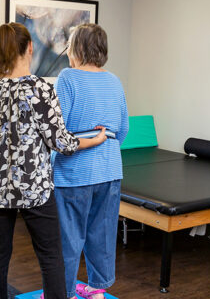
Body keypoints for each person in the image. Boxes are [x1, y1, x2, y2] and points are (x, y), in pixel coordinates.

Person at [0, 22, 107, 299]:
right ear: (30, 48)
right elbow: (61, 142)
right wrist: (93, 140)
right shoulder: (39, 89)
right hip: (34, 188)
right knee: (50, 256)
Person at [52, 23, 129, 299]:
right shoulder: (114, 80)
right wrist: (103, 151)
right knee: (103, 235)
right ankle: (97, 290)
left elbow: (57, 130)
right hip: (109, 171)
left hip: (73, 173)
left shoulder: (67, 77)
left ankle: (67, 293)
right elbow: (122, 129)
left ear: (78, 48)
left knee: (69, 239)